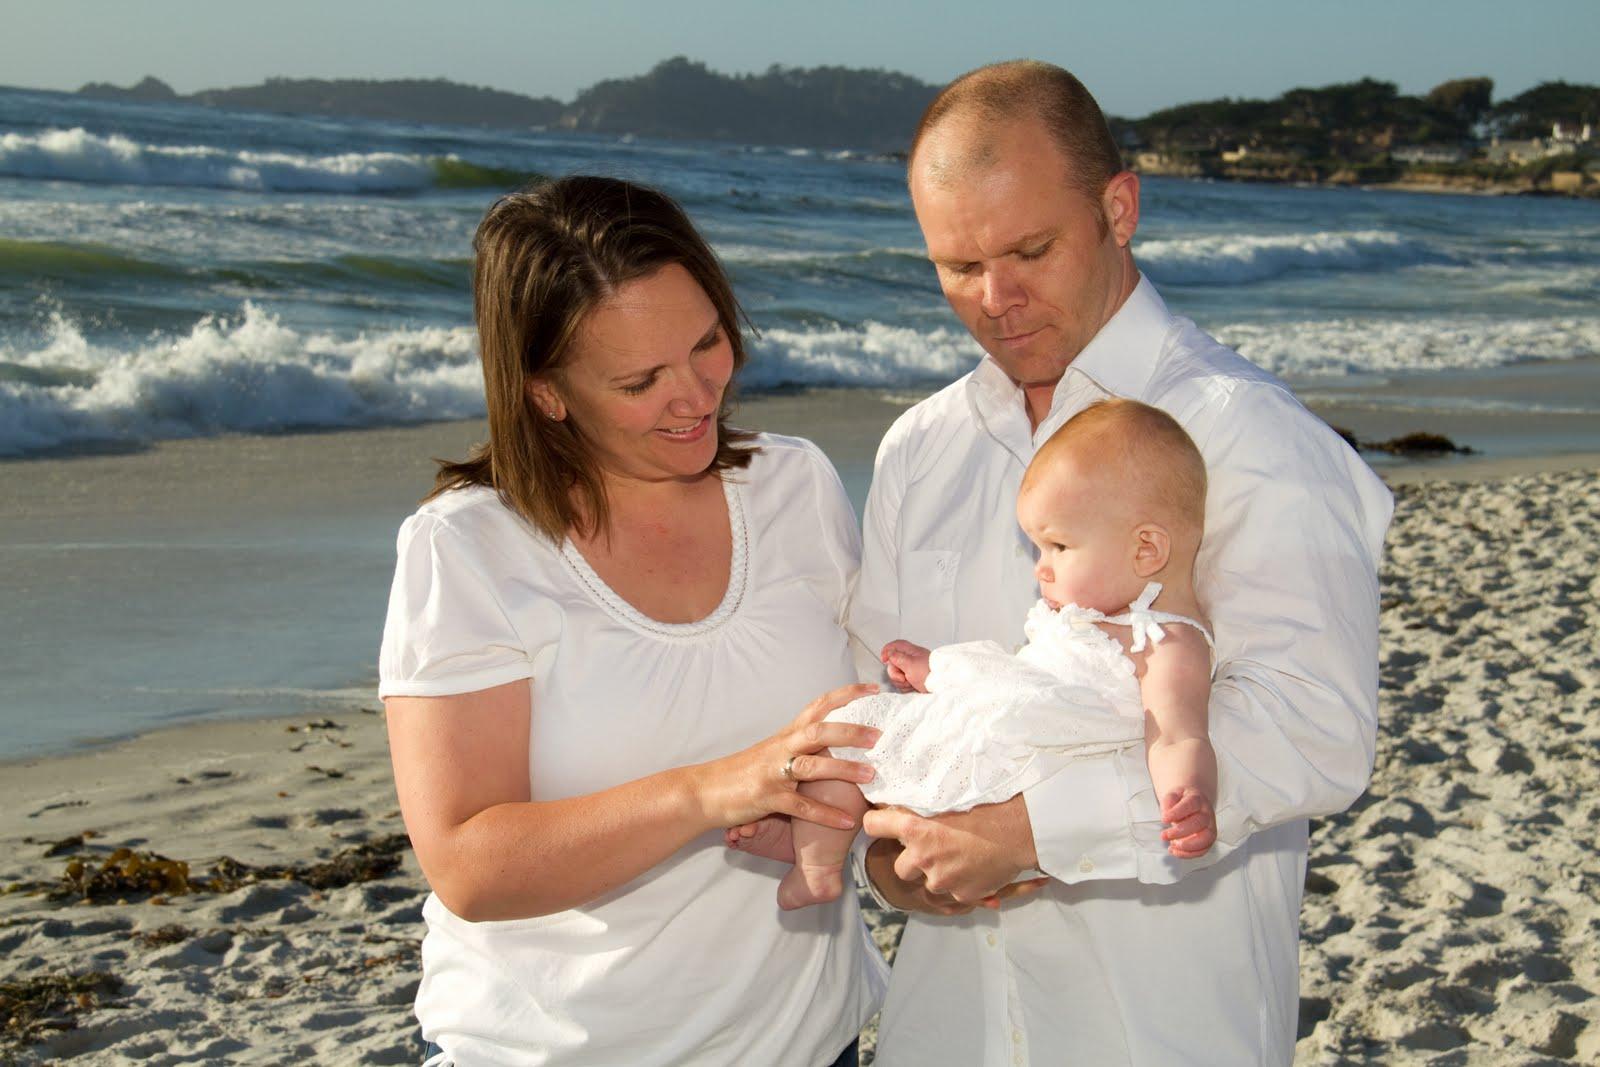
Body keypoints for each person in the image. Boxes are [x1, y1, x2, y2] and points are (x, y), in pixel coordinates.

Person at [848, 62, 1394, 1065]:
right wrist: (893, 862)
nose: (996, 298)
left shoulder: (1247, 434)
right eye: (956, 266)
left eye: (1030, 249)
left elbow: (1315, 729)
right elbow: (875, 714)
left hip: (1158, 1031)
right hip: (943, 1028)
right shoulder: (920, 451)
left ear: (1118, 206)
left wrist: (1031, 832)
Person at [378, 175, 887, 1066]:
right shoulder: (468, 550)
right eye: (640, 380)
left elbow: (867, 718)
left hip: (811, 1042)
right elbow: (467, 862)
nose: (694, 395)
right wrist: (710, 791)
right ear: (545, 392)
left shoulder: (795, 485)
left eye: (707, 344)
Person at [740, 399, 1219, 911]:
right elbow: (1014, 675)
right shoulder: (1078, 623)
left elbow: (1175, 734)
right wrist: (936, 669)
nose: (1041, 569)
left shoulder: (1163, 640)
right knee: (852, 729)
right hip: (1006, 730)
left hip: (1028, 759)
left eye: (1057, 547)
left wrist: (1188, 796)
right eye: (1037, 548)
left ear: (1146, 549)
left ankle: (815, 856)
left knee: (879, 755)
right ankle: (816, 853)